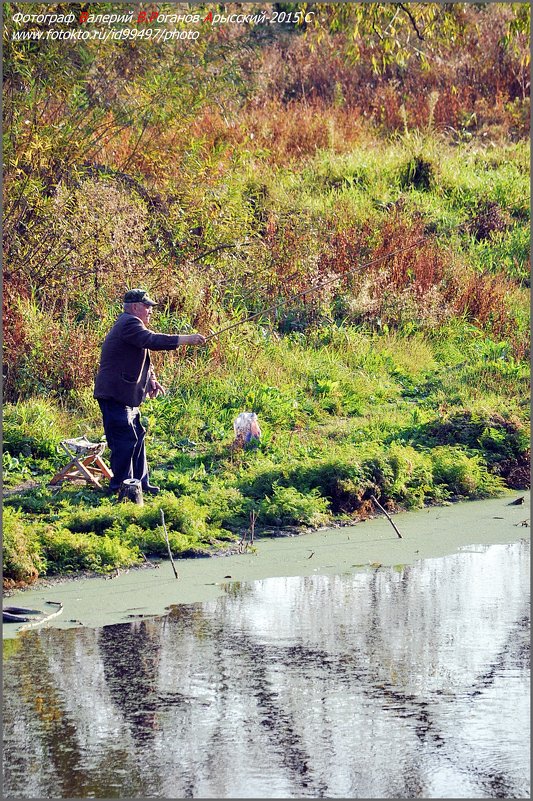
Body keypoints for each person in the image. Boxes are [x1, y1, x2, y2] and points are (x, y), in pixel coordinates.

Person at [94, 288, 205, 495]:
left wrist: (152, 380)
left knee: (137, 435)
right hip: (115, 394)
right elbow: (151, 341)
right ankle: (120, 487)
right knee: (124, 440)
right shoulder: (129, 322)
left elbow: (143, 357)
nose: (150, 311)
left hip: (125, 395)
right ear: (135, 307)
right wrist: (186, 339)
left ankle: (141, 483)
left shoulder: (132, 326)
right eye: (147, 306)